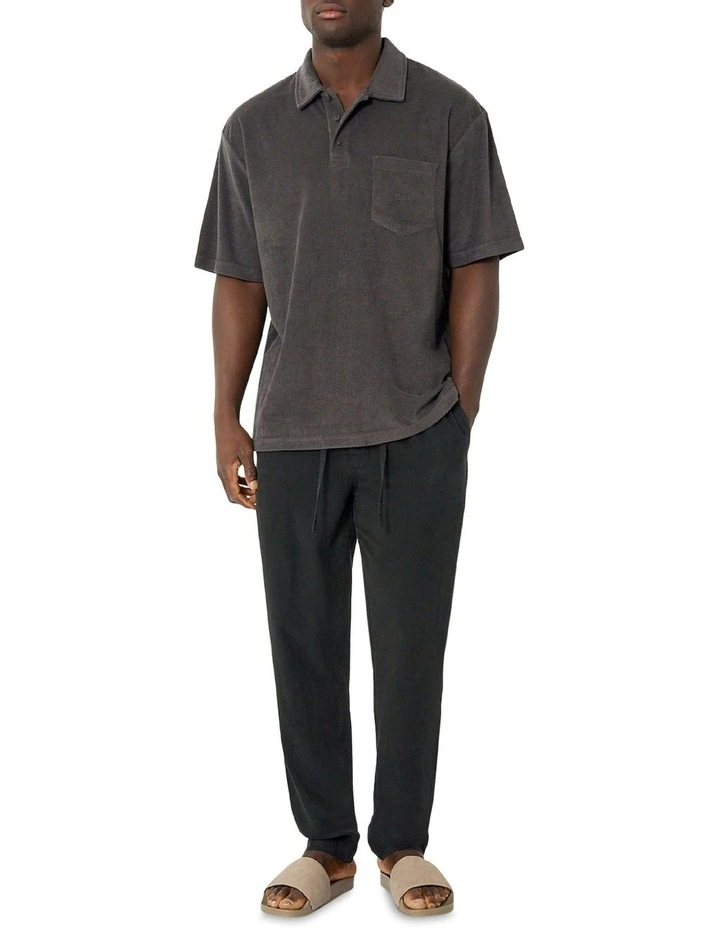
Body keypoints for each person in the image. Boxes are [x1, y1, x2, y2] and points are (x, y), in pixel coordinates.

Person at [194, 0, 524, 917]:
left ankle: (404, 844)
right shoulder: (252, 129)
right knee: (303, 649)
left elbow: (477, 264)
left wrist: (458, 410)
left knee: (411, 650)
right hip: (292, 435)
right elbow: (240, 278)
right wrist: (225, 415)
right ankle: (325, 848)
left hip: (417, 430)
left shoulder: (452, 115)